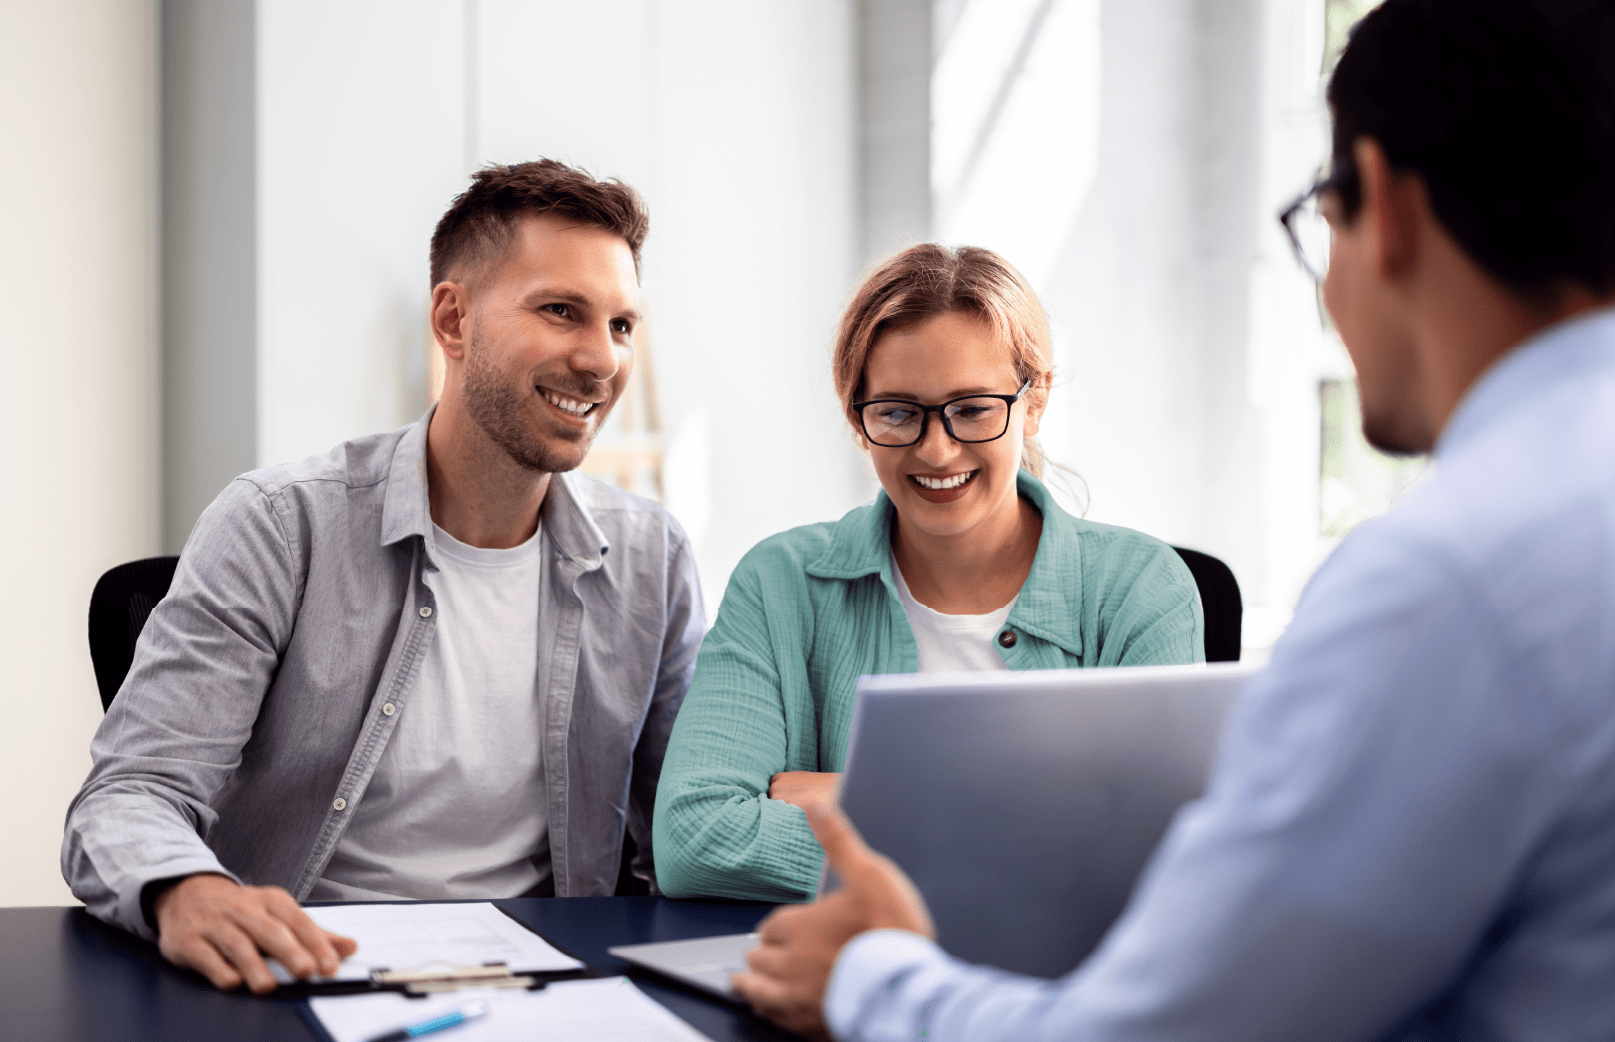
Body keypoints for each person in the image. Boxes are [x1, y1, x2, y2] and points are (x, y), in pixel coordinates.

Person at [729, 1, 1615, 1038]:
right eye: (899, 413)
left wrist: (867, 971)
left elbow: (1158, 1029)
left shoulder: (1443, 583)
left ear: (1382, 204)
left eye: (1318, 226)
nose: (936, 447)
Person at [61, 160, 704, 994]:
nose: (600, 359)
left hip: (540, 986)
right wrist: (187, 890)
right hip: (303, 972)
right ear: (453, 318)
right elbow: (129, 794)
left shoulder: (651, 558)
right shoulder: (280, 524)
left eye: (621, 325)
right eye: (560, 311)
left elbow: (691, 821)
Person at [653, 244, 1204, 902]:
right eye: (897, 413)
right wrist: (1024, 829)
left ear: (1034, 401)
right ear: (856, 416)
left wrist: (856, 799)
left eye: (972, 408)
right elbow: (695, 838)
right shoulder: (780, 583)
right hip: (832, 978)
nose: (935, 449)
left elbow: (1148, 856)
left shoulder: (1140, 589)